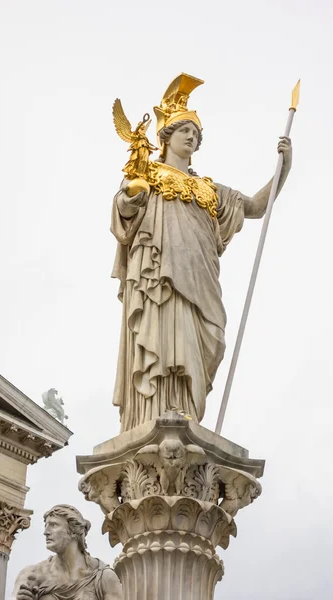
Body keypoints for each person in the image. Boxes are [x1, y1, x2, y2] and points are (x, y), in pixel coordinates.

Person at [111, 73, 292, 432]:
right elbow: (123, 210)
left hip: (201, 279)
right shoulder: (147, 174)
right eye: (185, 132)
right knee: (162, 338)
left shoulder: (210, 190)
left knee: (202, 340)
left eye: (196, 134)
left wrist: (283, 168)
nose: (192, 138)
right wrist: (132, 194)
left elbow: (256, 205)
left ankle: (186, 410)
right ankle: (154, 413)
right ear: (166, 138)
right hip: (160, 277)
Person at [10, 504, 123, 600]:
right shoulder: (32, 575)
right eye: (46, 526)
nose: (46, 532)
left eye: (54, 525)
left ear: (74, 531)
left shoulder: (104, 577)